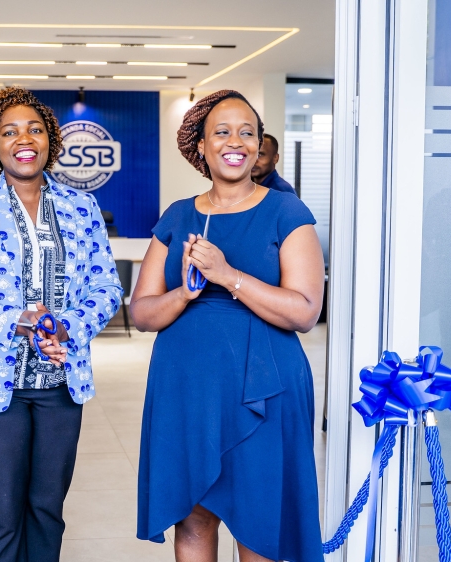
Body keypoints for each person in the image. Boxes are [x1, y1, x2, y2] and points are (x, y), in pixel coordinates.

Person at [131, 90, 325, 562]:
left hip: (264, 386)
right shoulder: (177, 215)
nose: (235, 142)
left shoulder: (287, 212)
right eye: (222, 132)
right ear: (202, 145)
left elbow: (304, 311)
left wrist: (227, 274)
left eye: (247, 133)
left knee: (259, 521)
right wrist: (184, 293)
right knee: (193, 518)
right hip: (186, 388)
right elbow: (141, 313)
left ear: (259, 146)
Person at [0, 86, 122, 562]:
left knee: (47, 510)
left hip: (60, 383)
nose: (24, 139)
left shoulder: (82, 207)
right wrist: (17, 319)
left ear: (50, 140)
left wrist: (66, 325)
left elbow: (106, 288)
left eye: (35, 129)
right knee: (1, 512)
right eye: (9, 131)